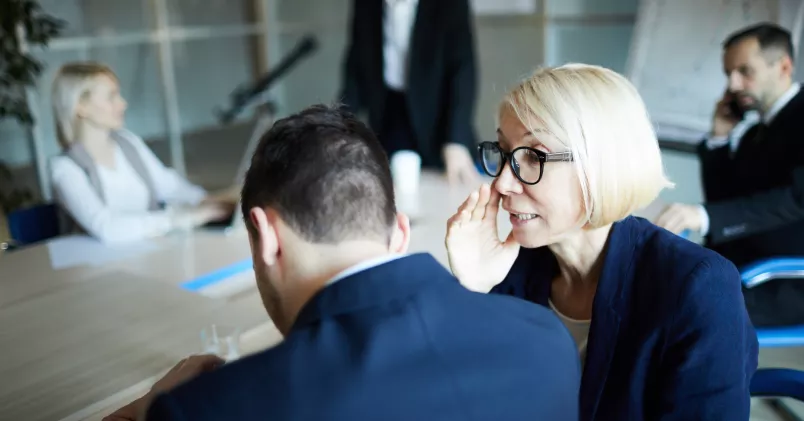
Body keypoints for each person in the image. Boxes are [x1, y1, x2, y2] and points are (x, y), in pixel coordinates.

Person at [103, 104, 581, 421]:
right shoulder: (545, 340)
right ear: (400, 230)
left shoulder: (212, 408)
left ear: (268, 236)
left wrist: (147, 409)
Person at [445, 64, 758, 420]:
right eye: (503, 154)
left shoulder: (697, 288)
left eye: (533, 156)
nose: (502, 184)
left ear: (600, 164)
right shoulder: (506, 272)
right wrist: (472, 292)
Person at [655, 23, 804, 327]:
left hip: (787, 280)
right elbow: (725, 202)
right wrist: (720, 138)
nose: (733, 84)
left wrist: (704, 215)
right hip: (746, 268)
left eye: (745, 71)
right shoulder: (754, 134)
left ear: (784, 67)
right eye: (729, 74)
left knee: (673, 307)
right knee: (651, 285)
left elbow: (796, 198)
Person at [49, 62, 233, 244]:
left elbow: (168, 185)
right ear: (81, 107)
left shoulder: (128, 142)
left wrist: (208, 201)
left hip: (151, 251)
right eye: (111, 96)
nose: (123, 103)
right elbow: (106, 228)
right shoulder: (65, 168)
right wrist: (178, 219)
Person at [339, 0, 480, 185]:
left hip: (438, 119)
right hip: (388, 114)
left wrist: (456, 140)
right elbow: (355, 69)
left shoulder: (450, 4)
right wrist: (339, 127)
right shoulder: (364, 4)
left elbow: (463, 71)